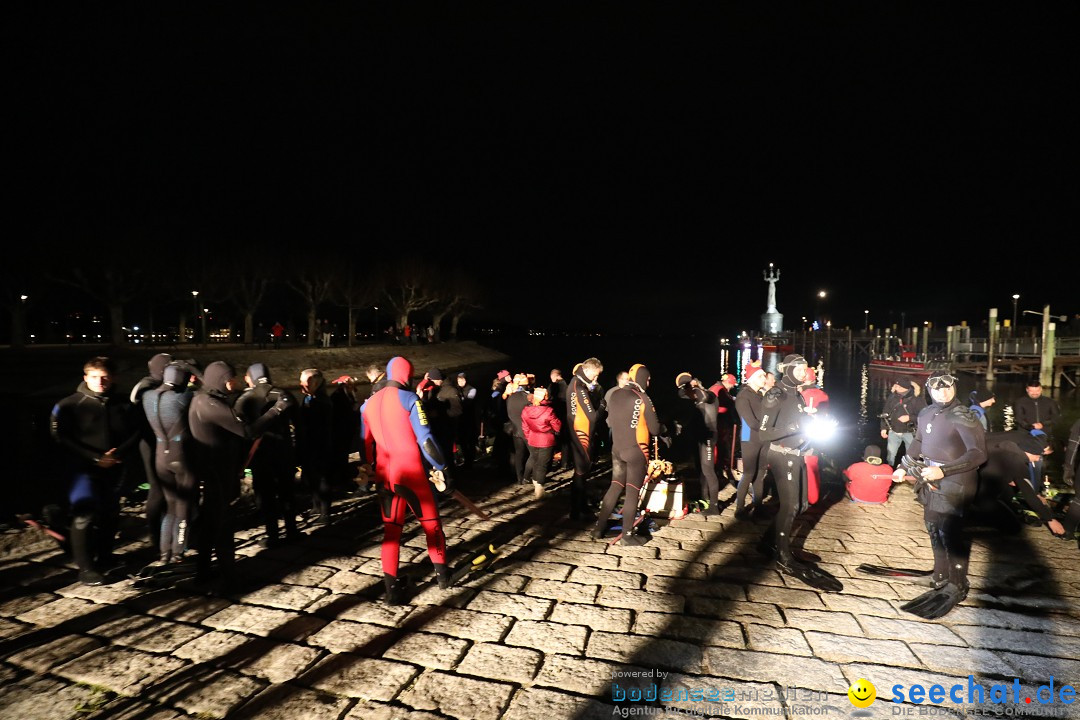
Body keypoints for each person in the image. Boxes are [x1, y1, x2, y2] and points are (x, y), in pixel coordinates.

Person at [892, 370, 986, 619]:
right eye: (937, 387)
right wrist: (902, 467)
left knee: (951, 532)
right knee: (933, 526)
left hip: (957, 479)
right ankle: (940, 575)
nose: (943, 391)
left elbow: (978, 454)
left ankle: (957, 585)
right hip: (931, 477)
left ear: (955, 387)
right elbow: (918, 442)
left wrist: (944, 471)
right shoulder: (926, 412)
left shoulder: (963, 415)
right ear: (929, 390)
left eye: (947, 387)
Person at [189, 361, 291, 589]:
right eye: (230, 379)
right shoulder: (209, 403)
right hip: (218, 474)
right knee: (223, 526)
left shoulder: (205, 398)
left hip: (216, 470)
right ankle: (230, 578)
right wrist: (277, 409)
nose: (233, 384)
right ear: (222, 380)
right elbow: (247, 431)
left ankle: (203, 571)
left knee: (210, 524)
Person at [359, 356, 453, 603]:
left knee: (391, 531)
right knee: (431, 525)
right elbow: (426, 440)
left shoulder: (367, 405)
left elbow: (364, 445)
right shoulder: (410, 399)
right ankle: (443, 576)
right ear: (408, 375)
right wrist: (441, 467)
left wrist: (367, 467)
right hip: (411, 474)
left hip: (384, 475)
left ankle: (391, 590)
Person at [50, 357, 139, 585]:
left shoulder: (123, 404)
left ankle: (106, 556)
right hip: (82, 468)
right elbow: (60, 437)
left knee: (111, 512)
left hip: (113, 466)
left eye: (105, 377)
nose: (100, 382)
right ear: (85, 378)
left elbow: (137, 431)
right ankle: (86, 568)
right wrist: (97, 458)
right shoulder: (69, 404)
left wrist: (117, 455)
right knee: (85, 514)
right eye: (94, 377)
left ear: (113, 377)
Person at [758, 354, 842, 591]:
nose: (803, 373)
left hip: (798, 452)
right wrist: (794, 426)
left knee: (803, 503)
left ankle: (767, 542)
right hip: (781, 454)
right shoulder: (777, 394)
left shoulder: (797, 394)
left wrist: (814, 419)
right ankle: (783, 556)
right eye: (799, 369)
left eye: (805, 370)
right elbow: (764, 433)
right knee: (791, 506)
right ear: (788, 370)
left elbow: (795, 418)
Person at [236, 363, 301, 546]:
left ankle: (273, 535)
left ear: (251, 377)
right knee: (287, 492)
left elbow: (241, 432)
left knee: (266, 495)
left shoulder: (244, 399)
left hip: (261, 456)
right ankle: (292, 531)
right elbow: (300, 424)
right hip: (284, 452)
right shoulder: (284, 395)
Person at [595, 364, 660, 545]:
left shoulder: (615, 394)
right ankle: (627, 535)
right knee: (632, 492)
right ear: (642, 379)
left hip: (617, 449)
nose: (648, 382)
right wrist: (665, 429)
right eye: (647, 379)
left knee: (615, 486)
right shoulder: (642, 398)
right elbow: (654, 429)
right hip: (636, 451)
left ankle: (598, 529)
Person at [141, 362, 197, 566]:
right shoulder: (185, 397)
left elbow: (137, 391)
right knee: (183, 508)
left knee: (170, 507)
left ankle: (164, 553)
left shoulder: (147, 396)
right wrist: (196, 373)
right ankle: (177, 554)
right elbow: (209, 388)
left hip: (160, 458)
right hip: (182, 458)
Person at [129, 353, 174, 556]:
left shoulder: (155, 383)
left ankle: (167, 532)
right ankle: (156, 538)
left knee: (167, 489)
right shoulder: (147, 386)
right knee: (157, 489)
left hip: (161, 441)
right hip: (150, 442)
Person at [677, 372, 721, 515]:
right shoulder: (695, 398)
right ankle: (705, 498)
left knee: (708, 470)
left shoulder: (709, 396)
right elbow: (680, 395)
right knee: (701, 469)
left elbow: (704, 396)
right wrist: (685, 384)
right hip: (700, 437)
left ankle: (714, 506)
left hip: (709, 436)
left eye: (691, 391)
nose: (689, 394)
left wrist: (695, 386)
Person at [567, 358, 604, 520]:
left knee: (582, 472)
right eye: (595, 375)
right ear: (587, 371)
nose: (596, 379)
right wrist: (603, 404)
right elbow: (593, 416)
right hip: (581, 433)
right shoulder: (579, 387)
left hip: (579, 431)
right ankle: (576, 511)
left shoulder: (577, 382)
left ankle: (580, 506)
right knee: (581, 472)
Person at [298, 368, 334, 524]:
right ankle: (316, 505)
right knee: (311, 476)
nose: (299, 384)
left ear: (313, 382)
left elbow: (320, 426)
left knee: (322, 478)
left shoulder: (322, 401)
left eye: (303, 381)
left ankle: (325, 513)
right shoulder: (308, 398)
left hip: (320, 445)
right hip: (310, 444)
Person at [734, 362, 770, 518]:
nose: (764, 378)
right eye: (761, 375)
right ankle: (740, 508)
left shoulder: (760, 394)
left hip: (764, 438)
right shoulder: (743, 396)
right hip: (750, 438)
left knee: (761, 472)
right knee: (748, 473)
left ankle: (759, 506)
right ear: (752, 378)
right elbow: (751, 422)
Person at [522, 387, 562, 499]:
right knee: (542, 464)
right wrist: (556, 431)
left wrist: (529, 437)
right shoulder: (548, 411)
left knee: (535, 461)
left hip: (533, 439)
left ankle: (536, 483)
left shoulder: (526, 410)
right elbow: (557, 425)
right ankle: (539, 489)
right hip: (546, 440)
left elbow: (525, 427)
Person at [880, 378, 926, 466]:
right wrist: (883, 428)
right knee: (890, 454)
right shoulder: (892, 397)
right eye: (896, 386)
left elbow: (924, 416)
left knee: (911, 456)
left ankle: (908, 471)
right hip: (893, 430)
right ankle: (889, 469)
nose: (896, 388)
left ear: (905, 388)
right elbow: (885, 412)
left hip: (910, 432)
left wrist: (910, 417)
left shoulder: (917, 400)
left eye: (899, 386)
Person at [505, 373, 532, 486]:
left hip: (516, 430)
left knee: (518, 454)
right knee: (534, 454)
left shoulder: (510, 398)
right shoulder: (528, 397)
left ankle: (519, 477)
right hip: (527, 430)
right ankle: (528, 476)